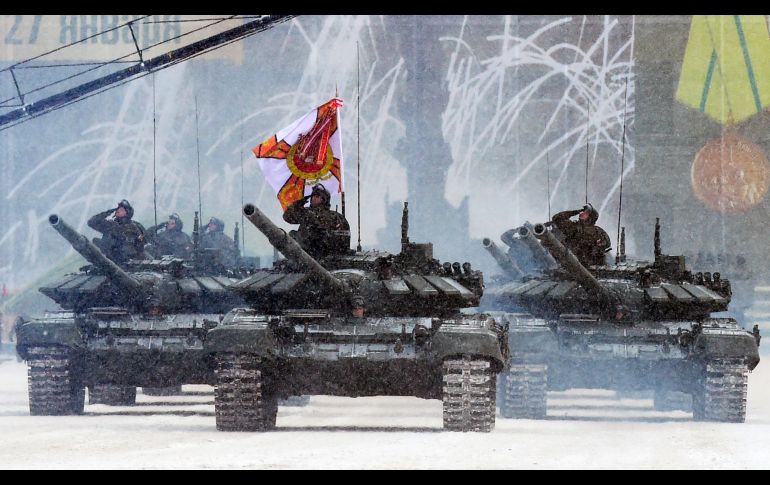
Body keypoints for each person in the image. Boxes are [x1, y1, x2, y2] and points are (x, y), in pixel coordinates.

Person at [282, 184, 350, 259]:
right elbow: (287, 217)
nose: (313, 198)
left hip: (314, 253)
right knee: (293, 234)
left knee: (292, 235)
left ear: (324, 199)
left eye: (317, 196)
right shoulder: (335, 215)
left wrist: (298, 205)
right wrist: (298, 204)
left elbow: (287, 217)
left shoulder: (310, 213)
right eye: (312, 196)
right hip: (314, 253)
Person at [87, 199, 147, 266]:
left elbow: (141, 245)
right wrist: (109, 212)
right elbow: (92, 222)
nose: (118, 210)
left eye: (121, 210)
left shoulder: (135, 227)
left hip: (129, 261)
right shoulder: (110, 225)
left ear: (127, 213)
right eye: (117, 209)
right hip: (111, 259)